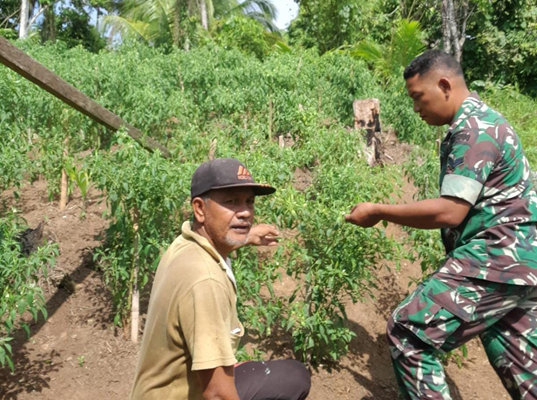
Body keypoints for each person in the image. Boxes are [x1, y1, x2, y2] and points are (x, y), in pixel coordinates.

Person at [345, 50, 537, 399]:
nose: (416, 108)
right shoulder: (484, 121)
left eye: (418, 97)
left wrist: (378, 210)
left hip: (497, 256)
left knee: (409, 332)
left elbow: (450, 211)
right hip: (520, 265)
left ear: (444, 85)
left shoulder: (473, 129)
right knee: (524, 366)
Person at [130, 158, 311, 400]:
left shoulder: (186, 244)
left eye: (249, 201)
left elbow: (213, 244)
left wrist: (247, 237)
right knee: (287, 382)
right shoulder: (206, 281)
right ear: (200, 209)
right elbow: (216, 394)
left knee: (292, 377)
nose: (245, 212)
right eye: (231, 201)